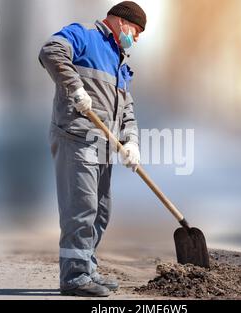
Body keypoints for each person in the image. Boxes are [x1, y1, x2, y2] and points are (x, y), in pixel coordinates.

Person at [38, 1, 147, 297]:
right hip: (75, 136)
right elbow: (51, 51)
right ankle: (74, 278)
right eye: (135, 32)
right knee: (81, 209)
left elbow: (127, 110)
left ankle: (87, 267)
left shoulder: (120, 60)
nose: (135, 39)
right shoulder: (84, 35)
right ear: (120, 22)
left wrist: (131, 143)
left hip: (102, 145)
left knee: (100, 211)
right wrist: (75, 88)